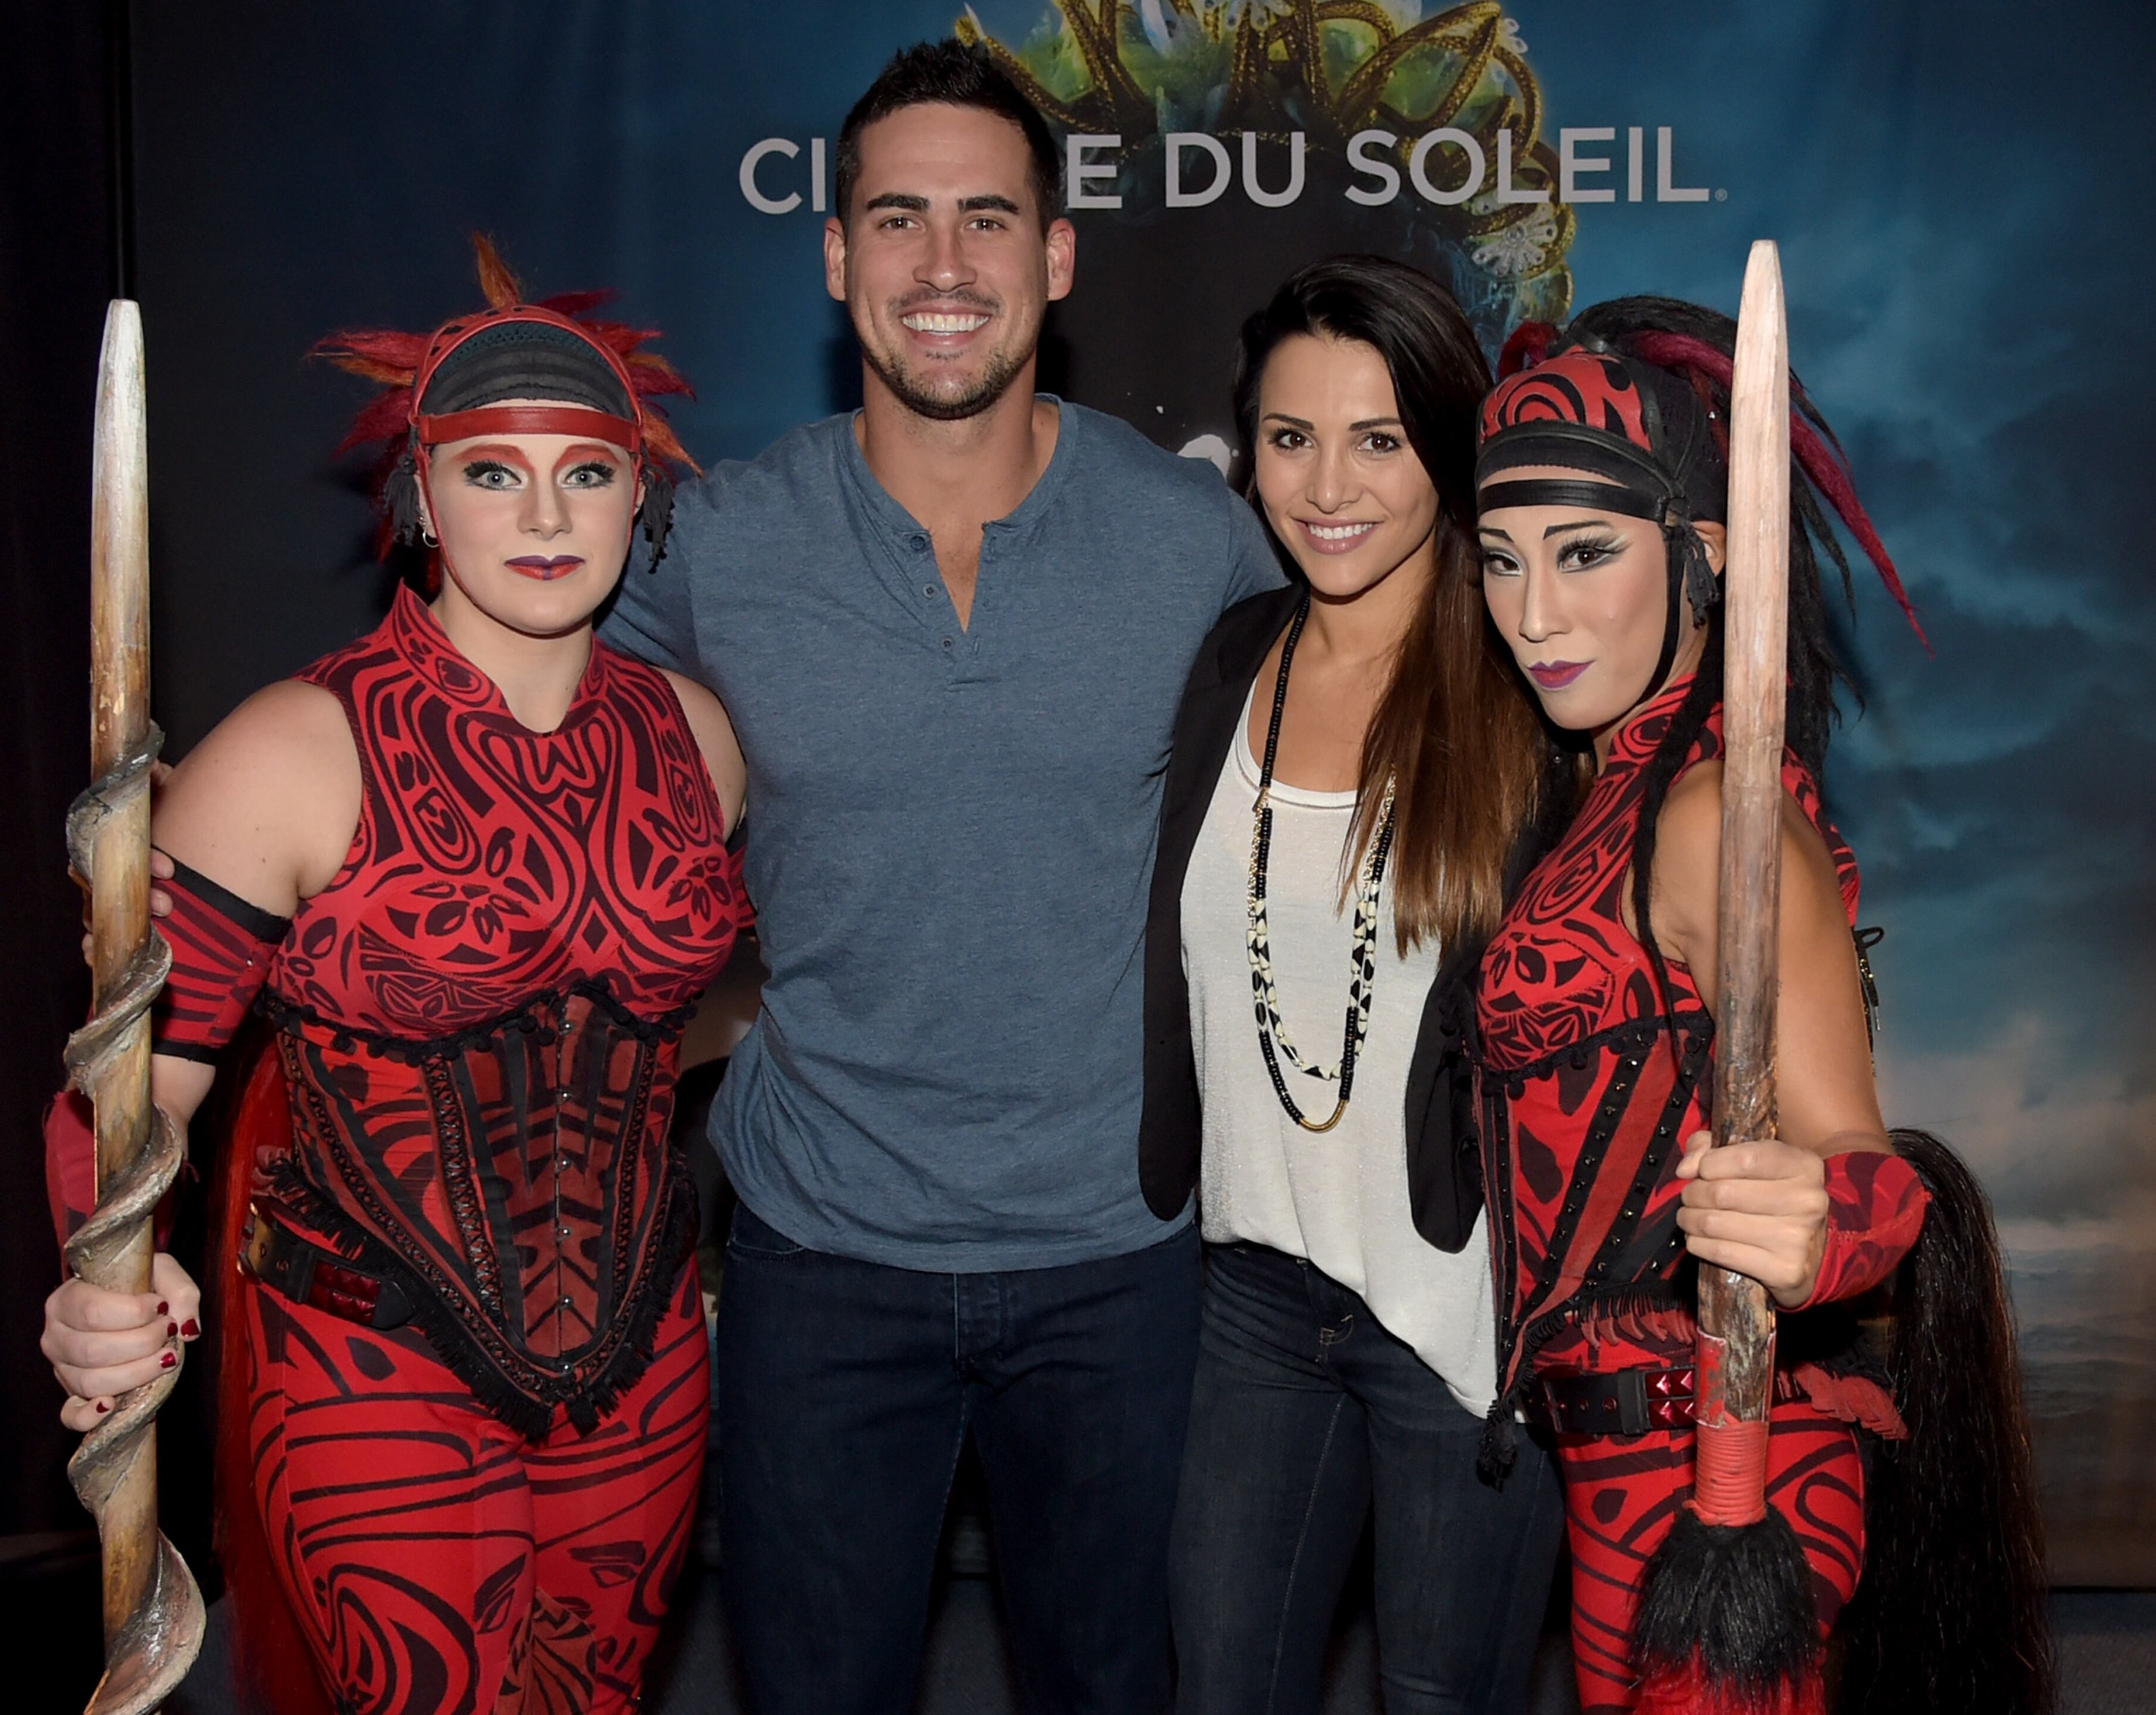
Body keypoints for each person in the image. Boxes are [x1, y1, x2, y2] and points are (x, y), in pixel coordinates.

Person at [595, 41, 1284, 1715]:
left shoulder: (1200, 543)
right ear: (838, 260)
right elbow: (521, 726)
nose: (946, 266)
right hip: (821, 1254)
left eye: (989, 219)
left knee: (1111, 1688)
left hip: (1118, 1258)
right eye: (898, 220)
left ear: (1057, 256)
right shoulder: (720, 542)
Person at [38, 240, 748, 1715]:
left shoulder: (699, 741)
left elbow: (673, 1024)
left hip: (648, 1365)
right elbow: (118, 1100)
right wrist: (108, 1275)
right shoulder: (289, 754)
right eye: (494, 472)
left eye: (588, 472)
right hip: (371, 1365)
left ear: (643, 493)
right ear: (423, 495)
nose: (546, 514)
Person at [1465, 299, 1950, 1713]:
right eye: (1500, 558)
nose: (1532, 612)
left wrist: (1815, 1229)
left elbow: (1874, 1174)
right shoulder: (1605, 791)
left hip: (1727, 1472)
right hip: (1617, 1464)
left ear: (1708, 550)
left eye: (1585, 553)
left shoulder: (1705, 819)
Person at [1142, 256, 1565, 1714]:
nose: (1329, 484)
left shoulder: (1530, 700)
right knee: (1224, 1686)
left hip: (1464, 1326)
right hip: (1254, 1296)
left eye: (1380, 441)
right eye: (1289, 436)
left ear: (1448, 458)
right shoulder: (1230, 663)